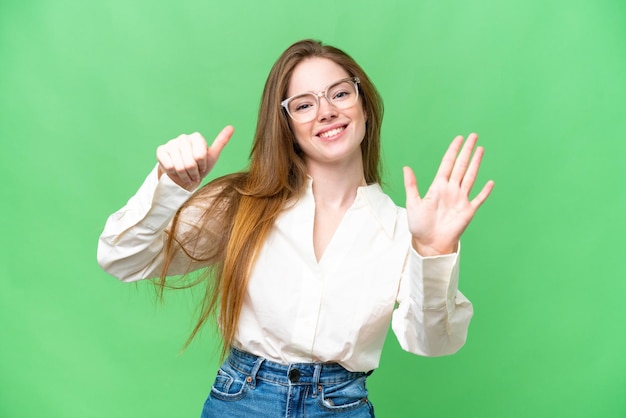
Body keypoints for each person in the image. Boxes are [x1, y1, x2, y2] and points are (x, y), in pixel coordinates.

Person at [97, 39, 494, 417]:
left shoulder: (402, 229)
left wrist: (433, 249)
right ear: (285, 124)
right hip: (241, 403)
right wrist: (170, 186)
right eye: (304, 104)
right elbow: (121, 259)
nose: (326, 111)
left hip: (342, 407)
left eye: (340, 93)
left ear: (365, 105)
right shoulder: (243, 203)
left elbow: (434, 342)